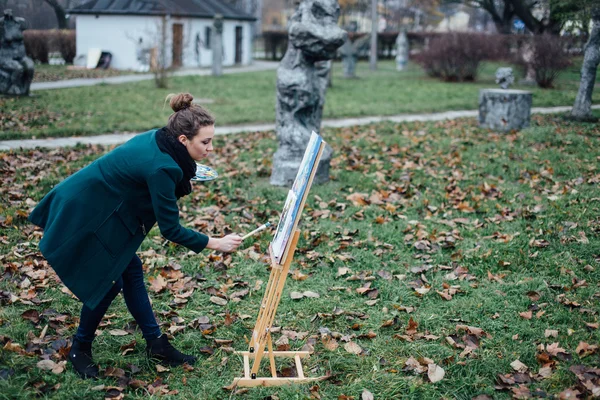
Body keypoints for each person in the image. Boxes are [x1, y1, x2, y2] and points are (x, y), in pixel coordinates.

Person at [28, 93, 243, 379]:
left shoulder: (161, 139)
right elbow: (171, 229)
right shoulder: (163, 168)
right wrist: (216, 242)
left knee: (130, 270)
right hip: (87, 211)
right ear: (183, 140)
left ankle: (156, 343)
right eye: (205, 142)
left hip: (101, 204)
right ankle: (81, 347)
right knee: (107, 282)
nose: (211, 148)